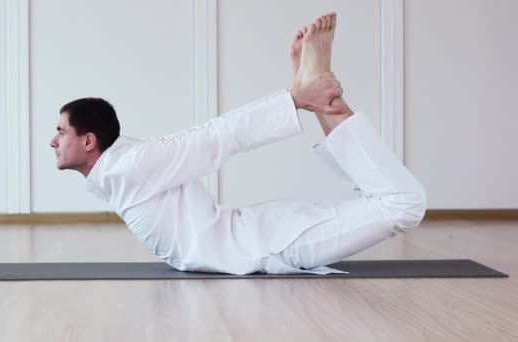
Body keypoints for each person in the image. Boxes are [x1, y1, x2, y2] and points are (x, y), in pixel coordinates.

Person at [49, 13, 426, 274]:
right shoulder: (119, 167)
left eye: (61, 131)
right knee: (384, 198)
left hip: (266, 245)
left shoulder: (129, 166)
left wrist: (294, 98)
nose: (53, 141)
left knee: (403, 204)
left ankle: (317, 89)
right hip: (258, 236)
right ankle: (318, 86)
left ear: (89, 141)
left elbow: (215, 137)